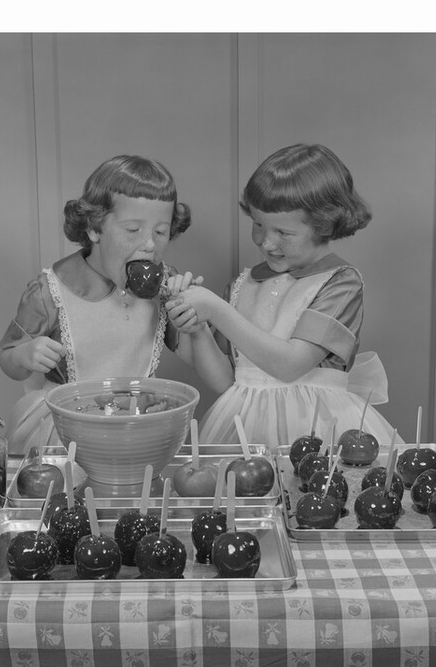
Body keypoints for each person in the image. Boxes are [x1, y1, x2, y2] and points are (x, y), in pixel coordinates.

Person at [164, 143, 398, 450]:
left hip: (316, 429)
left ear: (324, 226)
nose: (266, 241)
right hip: (243, 427)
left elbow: (290, 365)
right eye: (258, 224)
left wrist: (216, 311)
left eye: (283, 233)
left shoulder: (340, 282)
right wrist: (196, 330)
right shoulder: (243, 285)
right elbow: (225, 381)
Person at [0, 154, 202, 455]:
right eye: (133, 230)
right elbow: (8, 360)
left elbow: (205, 361)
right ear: (94, 229)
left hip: (138, 426)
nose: (149, 244)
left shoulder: (165, 287)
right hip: (66, 429)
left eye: (160, 232)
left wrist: (194, 314)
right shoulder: (50, 290)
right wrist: (23, 355)